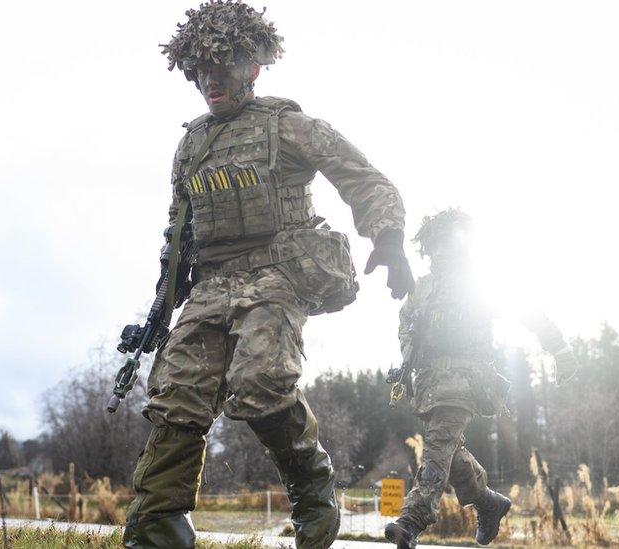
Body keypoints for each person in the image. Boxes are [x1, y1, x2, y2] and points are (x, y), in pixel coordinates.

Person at [122, 2, 414, 547]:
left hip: (276, 273)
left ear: (254, 66)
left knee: (259, 381)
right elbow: (178, 234)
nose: (211, 81)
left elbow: (365, 181)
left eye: (223, 66)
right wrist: (159, 311)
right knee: (175, 396)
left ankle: (312, 487)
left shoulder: (290, 127)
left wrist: (390, 238)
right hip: (210, 285)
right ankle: (156, 527)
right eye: (199, 72)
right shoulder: (190, 145)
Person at [384, 209, 579, 548]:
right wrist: (407, 360)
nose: (442, 252)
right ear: (428, 250)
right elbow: (405, 325)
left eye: (449, 243)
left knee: (438, 447)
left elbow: (528, 310)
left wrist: (560, 349)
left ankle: (411, 521)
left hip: (466, 380)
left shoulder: (480, 282)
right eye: (435, 246)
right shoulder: (423, 289)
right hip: (430, 384)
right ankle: (488, 502)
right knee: (449, 452)